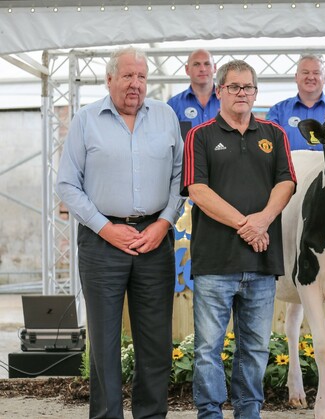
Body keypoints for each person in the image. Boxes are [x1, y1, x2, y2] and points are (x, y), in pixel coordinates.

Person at [56, 46, 184, 419]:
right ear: (109, 78)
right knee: (105, 344)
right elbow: (67, 184)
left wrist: (163, 224)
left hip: (154, 240)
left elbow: (180, 178)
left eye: (141, 77)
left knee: (155, 342)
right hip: (101, 242)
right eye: (127, 76)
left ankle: (150, 415)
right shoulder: (85, 120)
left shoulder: (165, 117)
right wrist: (105, 228)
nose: (135, 84)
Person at [181, 59, 296, 419]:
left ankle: (249, 411)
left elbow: (287, 183)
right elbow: (198, 190)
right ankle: (210, 413)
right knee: (207, 349)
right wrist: (247, 226)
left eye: (248, 87)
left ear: (255, 92)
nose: (242, 93)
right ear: (218, 91)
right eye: (234, 87)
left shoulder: (274, 134)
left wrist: (262, 221)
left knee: (257, 348)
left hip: (262, 264)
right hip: (215, 262)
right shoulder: (200, 136)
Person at [266, 54, 325, 150]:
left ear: (324, 78)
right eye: (305, 72)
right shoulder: (277, 111)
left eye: (316, 73)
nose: (311, 77)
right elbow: (269, 146)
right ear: (296, 77)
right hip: (289, 165)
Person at [167, 48, 220, 127]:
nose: (202, 69)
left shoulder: (228, 101)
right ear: (187, 69)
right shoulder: (173, 105)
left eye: (207, 64)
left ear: (215, 68)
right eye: (196, 64)